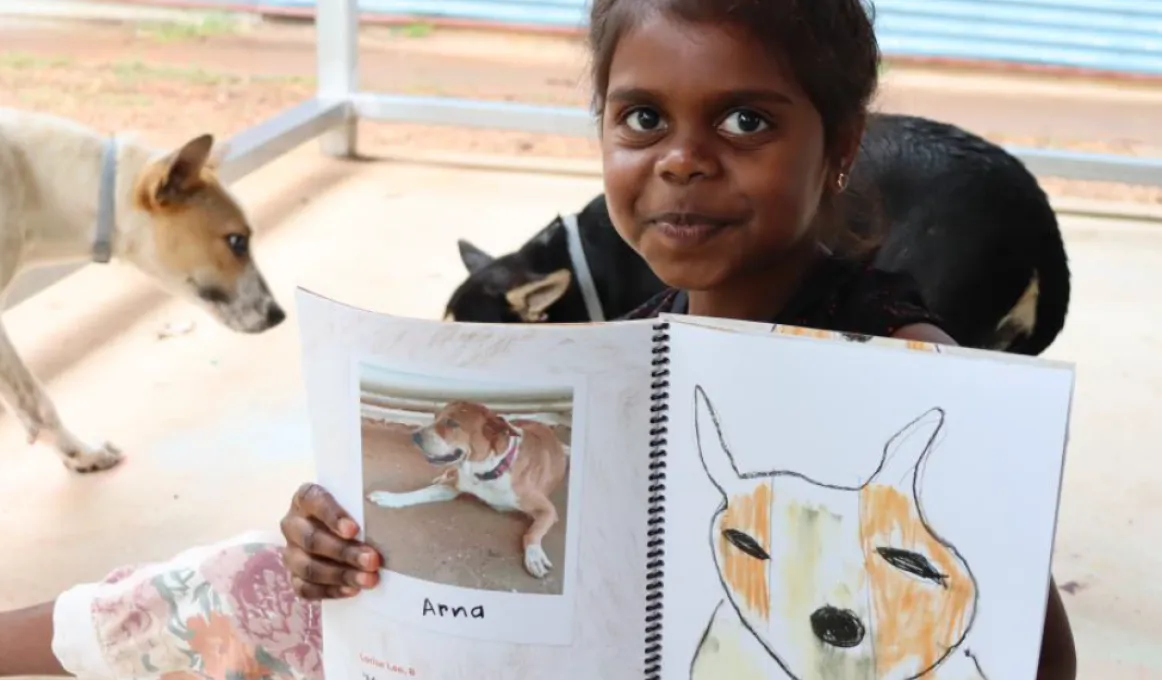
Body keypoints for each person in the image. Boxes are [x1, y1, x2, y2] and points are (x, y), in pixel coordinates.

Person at [0, 0, 1076, 678]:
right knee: (243, 576)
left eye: (745, 120)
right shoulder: (628, 351)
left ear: (838, 145)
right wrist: (333, 538)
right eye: (642, 118)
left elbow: (1030, 647)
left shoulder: (912, 370)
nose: (683, 160)